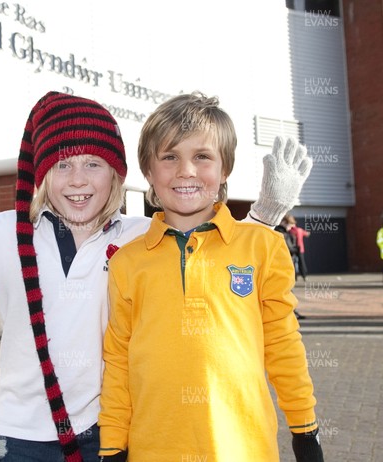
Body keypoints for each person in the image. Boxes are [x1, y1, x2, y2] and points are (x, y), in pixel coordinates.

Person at [0, 91, 312, 462]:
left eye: (94, 164)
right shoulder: (6, 234)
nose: (78, 179)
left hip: (111, 433)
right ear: (42, 174)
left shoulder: (142, 235)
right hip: (21, 435)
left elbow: (217, 251)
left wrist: (265, 213)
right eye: (63, 164)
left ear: (117, 175)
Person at [98, 92, 323, 461]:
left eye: (202, 157)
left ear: (224, 170)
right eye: (169, 157)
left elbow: (283, 345)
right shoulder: (126, 263)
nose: (186, 170)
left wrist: (305, 430)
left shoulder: (262, 247)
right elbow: (118, 363)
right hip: (153, 450)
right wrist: (112, 445)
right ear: (149, 173)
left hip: (245, 450)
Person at [287, 214, 311, 281]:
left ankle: (295, 277)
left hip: (293, 249)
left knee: (293, 263)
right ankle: (304, 276)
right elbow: (307, 234)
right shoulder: (300, 230)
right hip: (300, 249)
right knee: (301, 262)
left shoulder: (289, 231)